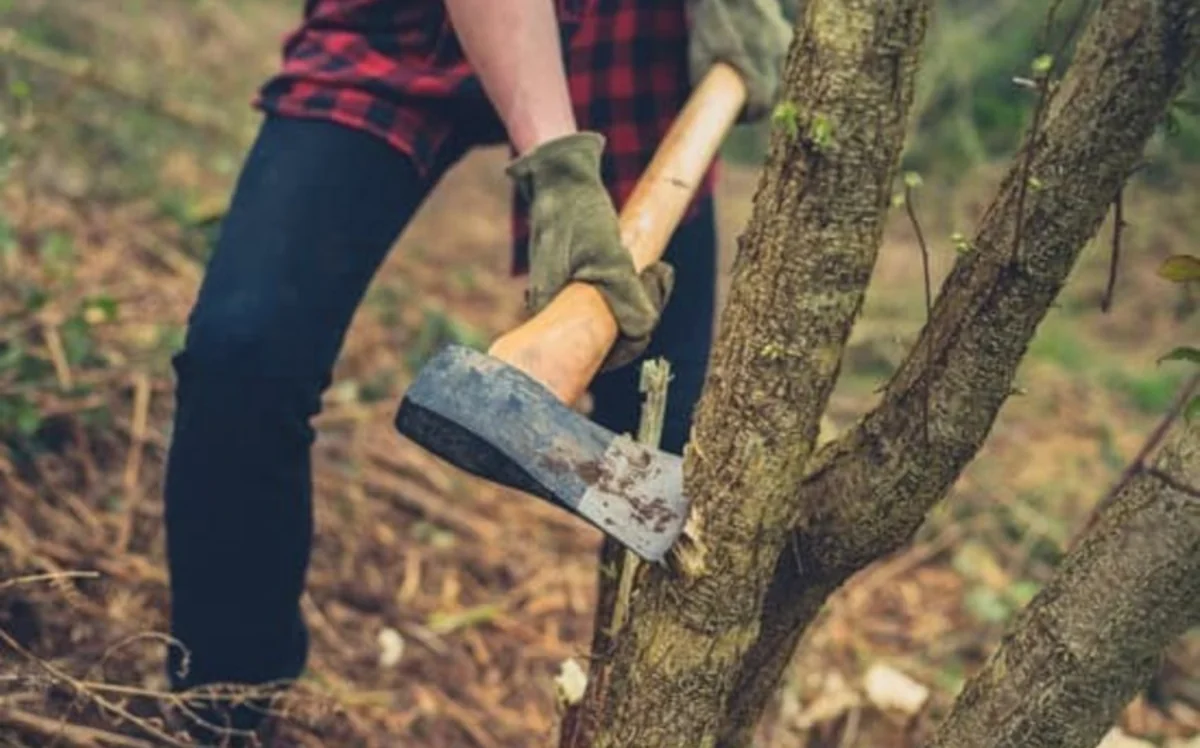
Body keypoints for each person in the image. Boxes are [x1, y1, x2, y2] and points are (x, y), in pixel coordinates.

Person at [160, 0, 792, 741]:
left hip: (629, 32)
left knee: (667, 456)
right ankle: (222, 712)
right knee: (243, 356)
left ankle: (653, 728)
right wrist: (559, 172)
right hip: (404, 23)